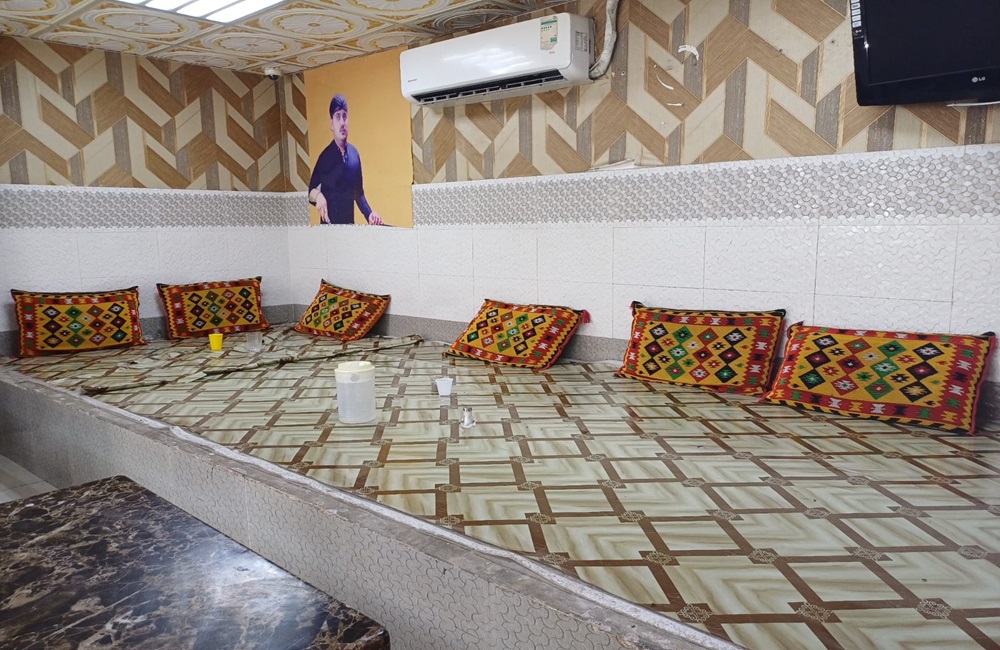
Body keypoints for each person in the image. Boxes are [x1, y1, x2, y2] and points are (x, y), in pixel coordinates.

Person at [308, 94, 383, 225]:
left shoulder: (354, 154)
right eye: (338, 117)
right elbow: (311, 192)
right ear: (332, 124)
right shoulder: (325, 157)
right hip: (329, 231)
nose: (342, 122)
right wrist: (318, 196)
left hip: (349, 229)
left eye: (345, 116)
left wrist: (369, 214)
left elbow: (359, 193)